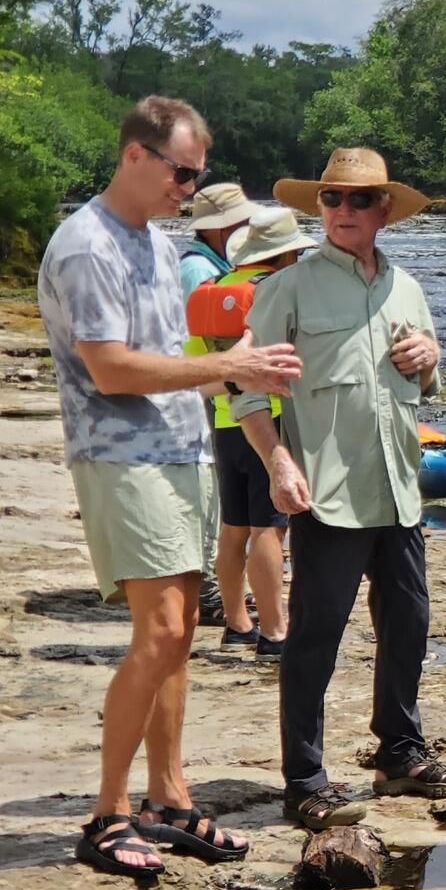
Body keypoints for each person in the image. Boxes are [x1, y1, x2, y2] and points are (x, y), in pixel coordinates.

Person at [40, 96, 301, 877]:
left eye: (197, 176)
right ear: (135, 155)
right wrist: (227, 366)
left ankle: (168, 798)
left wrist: (236, 353)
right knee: (158, 631)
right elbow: (111, 367)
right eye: (181, 172)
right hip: (122, 456)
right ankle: (107, 815)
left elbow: (171, 350)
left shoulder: (154, 241)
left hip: (180, 451)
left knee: (182, 630)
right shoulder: (88, 246)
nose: (188, 189)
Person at [234, 147, 446, 831]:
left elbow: (428, 376)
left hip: (400, 489)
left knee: (410, 624)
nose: (343, 210)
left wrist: (433, 359)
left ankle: (399, 752)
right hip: (328, 494)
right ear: (318, 207)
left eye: (359, 200)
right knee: (315, 637)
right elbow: (247, 397)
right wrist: (280, 465)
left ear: (384, 211)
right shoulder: (288, 287)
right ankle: (305, 782)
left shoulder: (406, 285)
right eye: (331, 199)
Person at [183, 207, 315, 663]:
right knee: (270, 530)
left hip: (223, 419)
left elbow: (198, 362)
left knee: (233, 527)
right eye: (295, 254)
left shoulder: (212, 289)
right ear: (282, 257)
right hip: (269, 420)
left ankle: (237, 624)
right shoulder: (275, 292)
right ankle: (275, 632)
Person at [178, 183, 266, 622]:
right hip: (214, 398)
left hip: (212, 394)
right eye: (243, 219)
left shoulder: (213, 266)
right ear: (222, 227)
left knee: (225, 508)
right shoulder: (200, 272)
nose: (249, 225)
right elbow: (207, 341)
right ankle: (215, 597)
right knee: (223, 507)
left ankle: (223, 597)